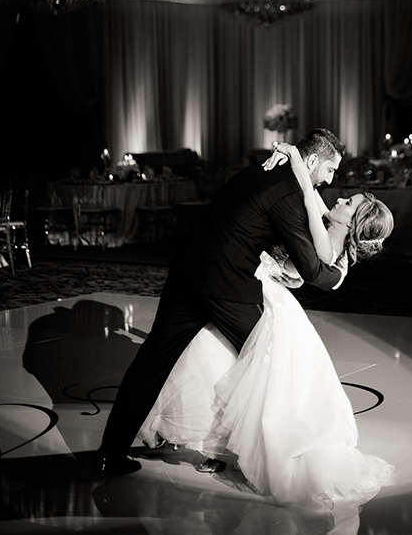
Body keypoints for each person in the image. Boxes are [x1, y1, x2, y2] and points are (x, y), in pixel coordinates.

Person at [137, 141, 395, 509]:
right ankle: (208, 442)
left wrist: (293, 156)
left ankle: (245, 448)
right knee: (226, 363)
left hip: (261, 294)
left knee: (255, 375)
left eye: (347, 203)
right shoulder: (329, 223)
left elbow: (309, 201)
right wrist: (293, 157)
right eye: (340, 190)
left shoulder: (328, 249)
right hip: (255, 286)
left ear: (352, 222)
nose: (338, 199)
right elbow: (312, 203)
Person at [95, 128, 348, 476]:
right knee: (273, 362)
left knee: (151, 362)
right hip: (226, 286)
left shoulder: (266, 168)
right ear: (312, 161)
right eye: (329, 170)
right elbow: (312, 270)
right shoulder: (288, 192)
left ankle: (109, 453)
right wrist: (339, 274)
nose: (329, 179)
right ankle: (277, 462)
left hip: (188, 270)